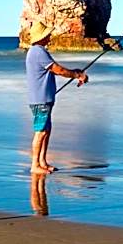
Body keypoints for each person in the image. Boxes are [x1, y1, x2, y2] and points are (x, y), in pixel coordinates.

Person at [25, 21, 88, 174]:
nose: (50, 36)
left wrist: (75, 72)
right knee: (40, 131)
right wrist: (76, 75)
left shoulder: (37, 51)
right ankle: (35, 165)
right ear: (42, 36)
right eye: (47, 34)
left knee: (46, 131)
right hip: (40, 99)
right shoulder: (38, 51)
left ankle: (42, 162)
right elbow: (57, 69)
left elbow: (54, 69)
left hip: (44, 98)